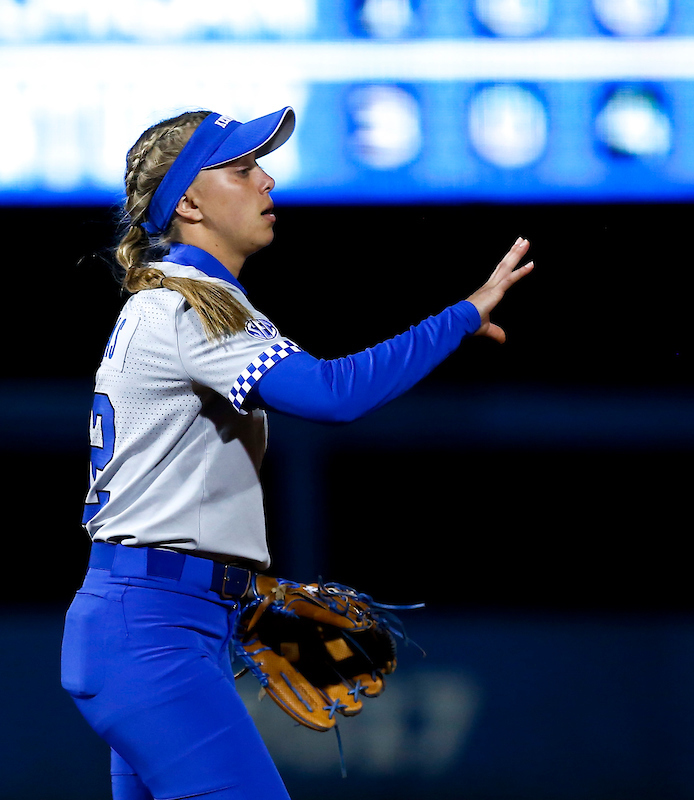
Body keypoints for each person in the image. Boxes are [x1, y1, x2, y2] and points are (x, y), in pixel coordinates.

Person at [60, 106, 533, 800]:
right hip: (152, 632)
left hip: (158, 623)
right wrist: (457, 318)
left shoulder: (180, 302)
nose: (268, 181)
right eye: (244, 168)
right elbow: (332, 395)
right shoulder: (190, 308)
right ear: (189, 201)